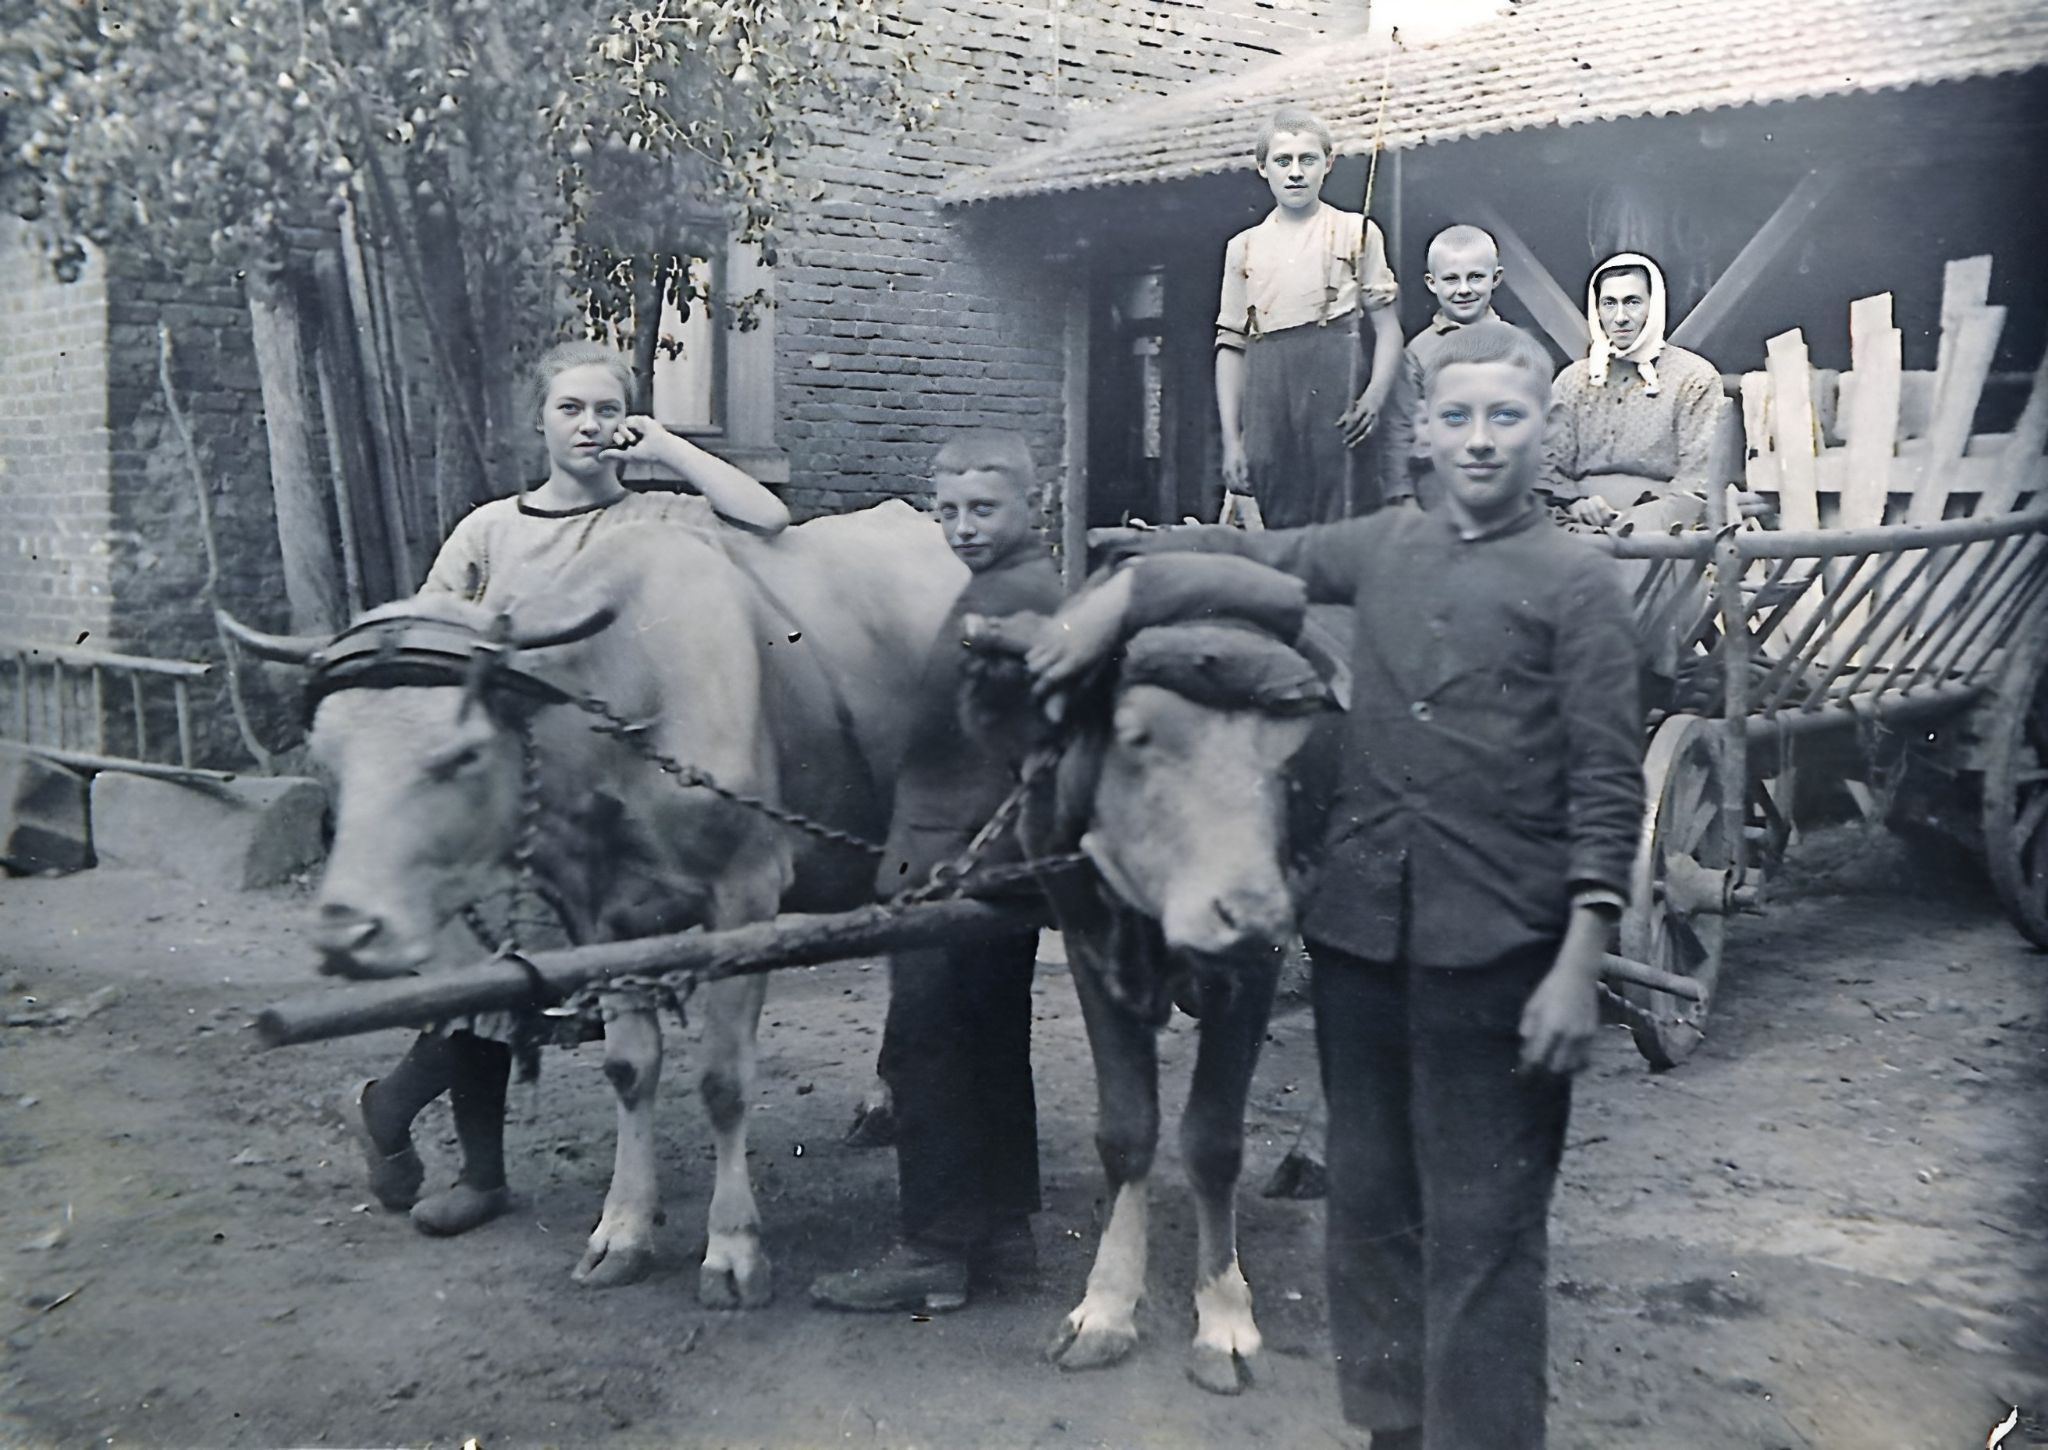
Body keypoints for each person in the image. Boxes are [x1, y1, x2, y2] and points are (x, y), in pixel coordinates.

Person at [1034, 321, 1643, 1449]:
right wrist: (1120, 597)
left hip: (1498, 947)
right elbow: (1251, 559)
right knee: (1369, 1216)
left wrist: (1579, 956)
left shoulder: (1577, 586)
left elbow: (1609, 784)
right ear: (1422, 431)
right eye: (1454, 417)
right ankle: (1390, 1434)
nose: (1476, 440)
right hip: (1363, 942)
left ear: (1540, 433)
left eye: (1503, 418)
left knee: (1485, 1228)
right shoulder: (1384, 547)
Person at [340, 339, 790, 1237]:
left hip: (619, 802)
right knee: (488, 986)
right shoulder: (491, 531)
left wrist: (664, 443)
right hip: (512, 795)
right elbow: (429, 650)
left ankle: (395, 1108)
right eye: (569, 410)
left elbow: (769, 516)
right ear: (538, 421)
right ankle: (464, 1159)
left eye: (604, 410)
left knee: (552, 986)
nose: (589, 427)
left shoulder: (663, 523)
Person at [808, 429, 1058, 1313]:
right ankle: (1003, 1235)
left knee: (929, 1049)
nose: (962, 527)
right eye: (947, 510)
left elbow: (1023, 746)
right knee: (989, 1047)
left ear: (1038, 503)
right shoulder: (997, 587)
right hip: (982, 862)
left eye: (984, 509)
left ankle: (934, 1250)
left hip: (955, 867)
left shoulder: (1016, 602)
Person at [1216, 105, 1404, 528]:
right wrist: (1232, 441)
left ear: (1328, 163)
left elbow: (1388, 329)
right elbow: (1230, 349)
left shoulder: (1355, 231)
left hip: (1333, 387)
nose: (1295, 172)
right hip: (1267, 393)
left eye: (1308, 159)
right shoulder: (1243, 247)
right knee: (1276, 508)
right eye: (1283, 161)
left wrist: (1373, 397)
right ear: (1263, 168)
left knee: (1341, 511)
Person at [1380, 223, 1507, 511]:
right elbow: (1399, 428)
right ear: (1431, 282)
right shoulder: (1418, 352)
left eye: (1475, 277)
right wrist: (1404, 496)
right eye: (1451, 279)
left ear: (1496, 278)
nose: (1464, 290)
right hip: (1438, 485)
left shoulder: (1517, 346)